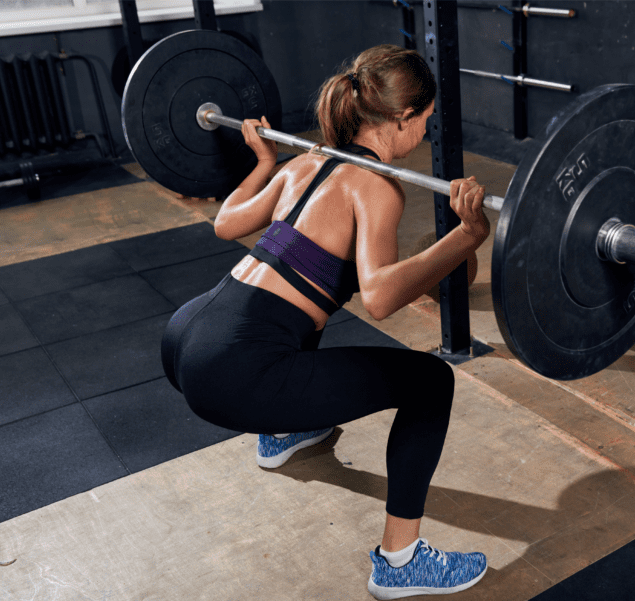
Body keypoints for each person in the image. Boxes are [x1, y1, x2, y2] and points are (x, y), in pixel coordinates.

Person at [160, 44, 491, 599]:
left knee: (300, 304)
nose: (427, 133)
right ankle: (401, 561)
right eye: (426, 122)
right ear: (403, 119)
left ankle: (280, 433)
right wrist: (468, 234)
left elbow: (224, 222)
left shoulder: (303, 163)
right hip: (234, 373)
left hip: (187, 335)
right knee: (433, 382)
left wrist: (264, 161)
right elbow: (381, 297)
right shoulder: (378, 186)